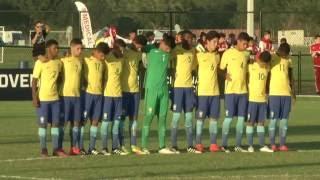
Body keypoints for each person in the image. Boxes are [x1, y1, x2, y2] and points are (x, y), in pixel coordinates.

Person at [141, 34, 176, 154]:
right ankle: (143, 147)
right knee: (148, 117)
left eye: (169, 47)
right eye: (167, 46)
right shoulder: (151, 50)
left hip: (164, 90)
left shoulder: (169, 54)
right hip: (152, 90)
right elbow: (139, 45)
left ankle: (162, 147)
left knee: (162, 118)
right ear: (161, 42)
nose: (168, 49)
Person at [32, 39, 66, 157]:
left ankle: (56, 149)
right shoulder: (40, 62)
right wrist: (34, 98)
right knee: (43, 125)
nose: (57, 50)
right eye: (54, 48)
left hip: (55, 99)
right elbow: (34, 80)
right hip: (43, 99)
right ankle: (43, 149)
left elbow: (60, 77)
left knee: (56, 124)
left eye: (58, 48)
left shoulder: (59, 62)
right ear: (48, 49)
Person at [170, 30, 200, 154]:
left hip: (188, 88)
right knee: (176, 118)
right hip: (177, 88)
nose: (189, 40)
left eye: (191, 38)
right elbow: (169, 63)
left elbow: (194, 69)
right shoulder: (176, 50)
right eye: (187, 38)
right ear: (182, 38)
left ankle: (190, 145)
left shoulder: (194, 52)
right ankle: (174, 145)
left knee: (189, 118)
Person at [220, 32, 250, 153]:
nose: (246, 46)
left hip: (243, 91)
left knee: (241, 119)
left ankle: (238, 145)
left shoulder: (246, 54)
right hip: (230, 92)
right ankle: (224, 144)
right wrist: (224, 75)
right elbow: (220, 69)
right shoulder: (227, 53)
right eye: (244, 43)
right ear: (238, 41)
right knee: (228, 118)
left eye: (247, 44)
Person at [119, 35, 147, 154]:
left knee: (134, 119)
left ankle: (134, 145)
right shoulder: (125, 53)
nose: (139, 48)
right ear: (134, 42)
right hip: (124, 91)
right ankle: (121, 145)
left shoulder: (139, 55)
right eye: (138, 45)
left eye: (141, 46)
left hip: (135, 92)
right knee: (122, 119)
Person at [194, 31, 221, 153]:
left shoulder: (217, 56)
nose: (216, 44)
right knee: (200, 120)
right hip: (203, 94)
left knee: (214, 119)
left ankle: (213, 144)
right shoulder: (199, 55)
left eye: (217, 42)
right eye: (214, 42)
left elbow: (219, 70)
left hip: (215, 93)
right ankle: (198, 143)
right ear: (207, 42)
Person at [100, 39, 128, 155]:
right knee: (106, 123)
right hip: (108, 95)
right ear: (115, 47)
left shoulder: (122, 60)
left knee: (116, 123)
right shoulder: (107, 58)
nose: (122, 50)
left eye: (123, 48)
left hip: (118, 95)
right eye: (120, 48)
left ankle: (115, 147)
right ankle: (104, 147)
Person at [83, 42, 109, 155]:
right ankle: (79, 147)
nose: (103, 58)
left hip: (99, 95)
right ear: (97, 52)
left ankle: (91, 147)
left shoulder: (103, 63)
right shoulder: (87, 60)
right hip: (88, 94)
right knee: (83, 121)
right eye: (102, 55)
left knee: (95, 121)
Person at [268, 42, 295, 152]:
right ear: (280, 51)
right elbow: (267, 74)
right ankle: (272, 144)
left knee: (284, 121)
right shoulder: (272, 58)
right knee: (273, 120)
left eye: (286, 54)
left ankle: (282, 144)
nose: (285, 55)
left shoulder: (289, 60)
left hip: (286, 94)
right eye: (284, 53)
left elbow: (291, 76)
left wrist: (294, 93)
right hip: (274, 94)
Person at [246, 51, 273, 153]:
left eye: (266, 63)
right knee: (250, 123)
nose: (264, 65)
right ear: (259, 59)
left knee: (261, 123)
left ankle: (262, 145)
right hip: (252, 100)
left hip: (262, 100)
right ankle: (250, 145)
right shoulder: (251, 67)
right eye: (263, 62)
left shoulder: (267, 68)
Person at [59, 38, 83, 155]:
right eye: (78, 48)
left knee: (76, 123)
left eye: (81, 48)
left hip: (77, 96)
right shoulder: (63, 61)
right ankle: (59, 147)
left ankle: (74, 147)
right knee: (64, 123)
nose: (80, 51)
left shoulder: (80, 61)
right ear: (71, 48)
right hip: (65, 96)